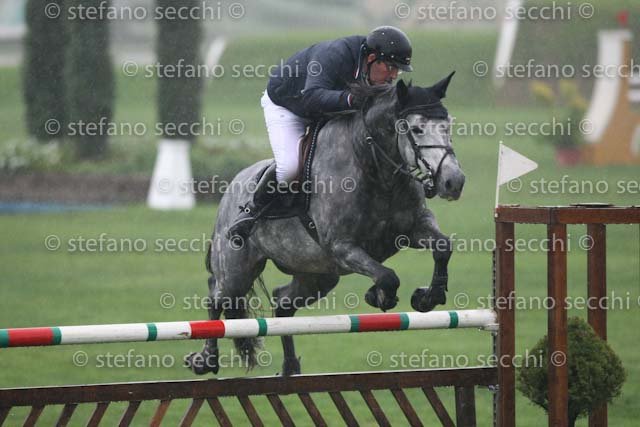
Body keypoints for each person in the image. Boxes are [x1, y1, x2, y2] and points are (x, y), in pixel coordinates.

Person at [227, 26, 413, 239]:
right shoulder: (335, 55)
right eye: (390, 67)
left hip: (326, 108)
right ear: (372, 59)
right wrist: (351, 99)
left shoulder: (371, 68)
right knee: (289, 169)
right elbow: (312, 97)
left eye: (398, 70)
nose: (393, 76)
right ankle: (251, 210)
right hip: (288, 106)